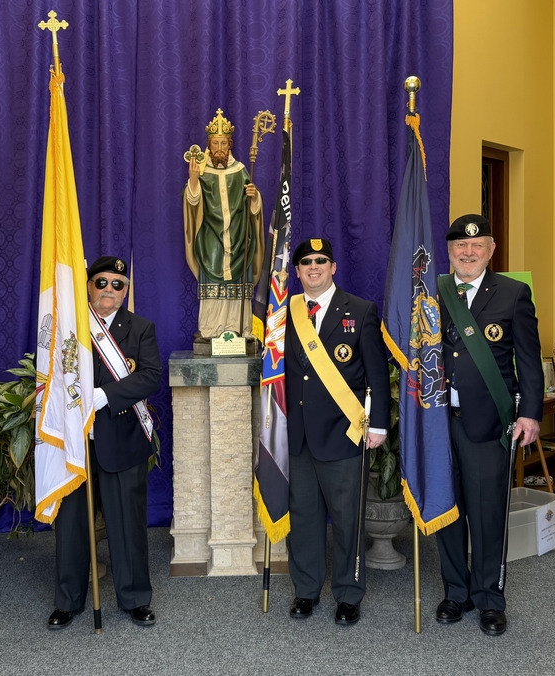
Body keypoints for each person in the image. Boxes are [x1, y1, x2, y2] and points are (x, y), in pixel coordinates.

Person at [435, 214, 543, 636]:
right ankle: (455, 592)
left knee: (486, 513)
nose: (468, 252)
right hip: (440, 422)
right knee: (447, 509)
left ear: (491, 250)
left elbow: (529, 360)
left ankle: (489, 597)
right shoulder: (433, 293)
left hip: (488, 422)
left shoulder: (513, 294)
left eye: (477, 246)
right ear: (450, 252)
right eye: (460, 246)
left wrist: (530, 411)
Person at [47, 255, 162, 630]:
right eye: (102, 282)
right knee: (72, 525)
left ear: (126, 291)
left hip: (121, 437)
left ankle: (134, 599)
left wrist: (105, 396)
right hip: (75, 442)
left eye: (118, 284)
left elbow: (150, 377)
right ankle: (68, 600)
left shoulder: (141, 328)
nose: (109, 290)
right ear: (88, 286)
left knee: (127, 525)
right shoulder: (70, 326)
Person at [284, 238, 390, 626]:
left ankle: (348, 593)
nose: (314, 267)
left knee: (347, 519)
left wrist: (377, 424)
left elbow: (377, 372)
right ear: (297, 271)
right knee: (305, 517)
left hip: (344, 433)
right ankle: (306, 590)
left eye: (321, 261)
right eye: (306, 262)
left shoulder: (360, 311)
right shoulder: (286, 313)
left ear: (333, 267)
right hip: (298, 435)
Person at [183, 108, 265, 340]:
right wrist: (193, 182)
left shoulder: (240, 172)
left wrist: (254, 197)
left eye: (223, 144)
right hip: (211, 243)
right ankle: (211, 330)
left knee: (238, 287)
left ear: (230, 145)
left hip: (239, 240)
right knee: (213, 290)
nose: (219, 149)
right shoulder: (202, 173)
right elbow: (192, 203)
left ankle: (240, 329)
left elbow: (254, 209)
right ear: (208, 145)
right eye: (215, 144)